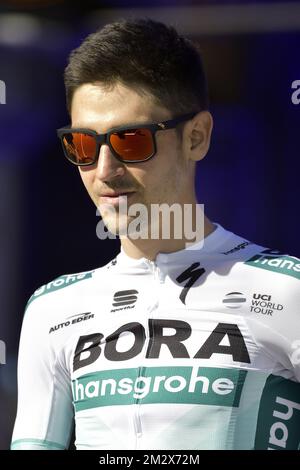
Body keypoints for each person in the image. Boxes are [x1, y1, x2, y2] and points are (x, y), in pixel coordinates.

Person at [11, 18, 300, 451]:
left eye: (130, 141)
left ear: (197, 137)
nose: (104, 171)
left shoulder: (287, 289)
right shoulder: (51, 309)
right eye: (83, 146)